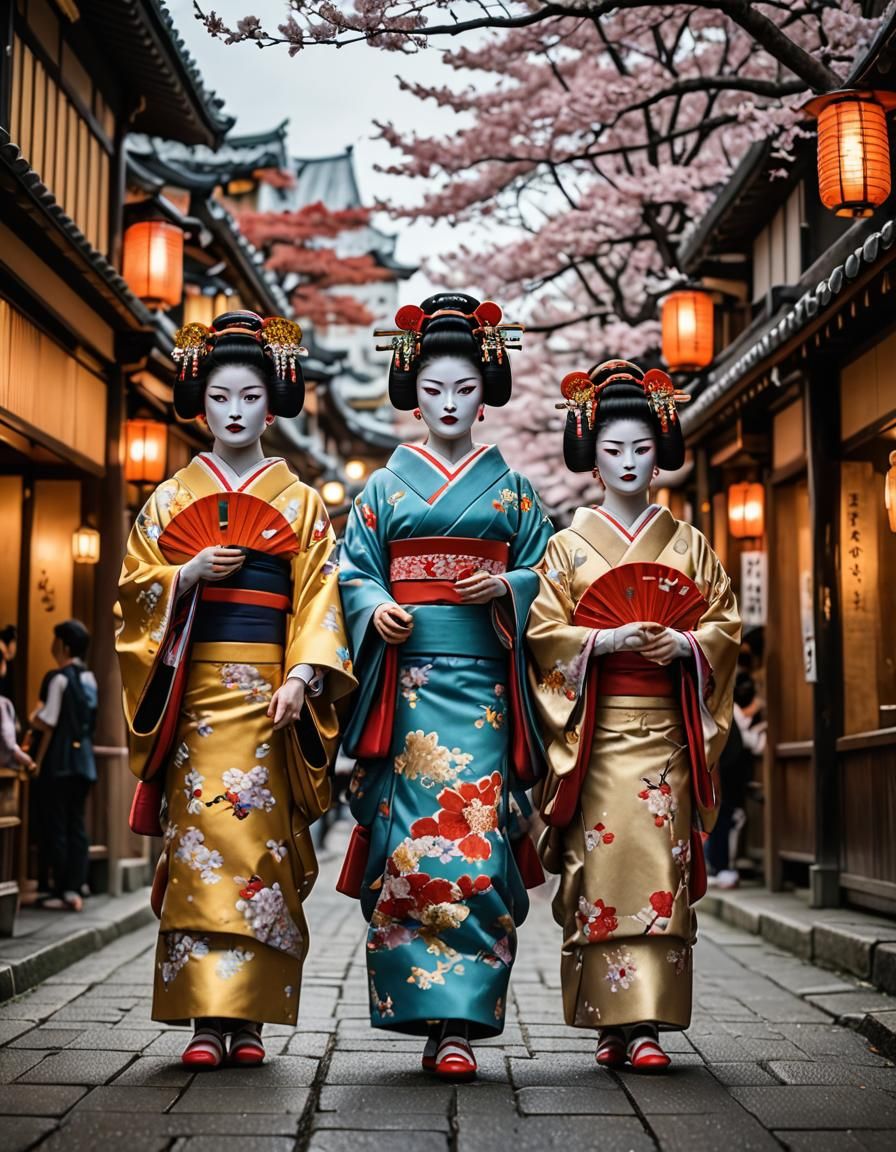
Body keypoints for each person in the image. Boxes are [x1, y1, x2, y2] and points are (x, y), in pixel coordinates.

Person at [116, 311, 355, 1068]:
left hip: (270, 700)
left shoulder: (302, 504)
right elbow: (134, 596)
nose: (235, 412)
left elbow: (320, 598)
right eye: (221, 398)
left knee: (263, 856)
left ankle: (248, 1019)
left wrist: (302, 674)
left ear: (272, 400)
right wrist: (181, 575)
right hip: (197, 701)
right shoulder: (167, 501)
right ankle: (201, 1020)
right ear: (201, 402)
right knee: (198, 854)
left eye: (250, 397)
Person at [338, 293, 553, 1080]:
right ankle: (421, 1008)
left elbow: (549, 576)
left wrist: (510, 589)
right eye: (434, 392)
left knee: (477, 846)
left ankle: (460, 1024)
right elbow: (350, 571)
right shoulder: (384, 492)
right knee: (409, 851)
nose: (450, 405)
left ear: (486, 392)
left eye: (465, 390)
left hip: (488, 692)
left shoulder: (515, 493)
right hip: (408, 688)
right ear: (412, 393)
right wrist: (376, 606)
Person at [526, 359, 740, 1071]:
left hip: (667, 740)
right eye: (612, 449)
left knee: (662, 870)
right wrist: (602, 639)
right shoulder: (565, 548)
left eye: (640, 449)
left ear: (661, 455)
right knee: (598, 870)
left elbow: (725, 627)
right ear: (591, 456)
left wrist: (684, 641)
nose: (626, 462)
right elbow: (543, 636)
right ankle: (606, 1022)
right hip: (595, 737)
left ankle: (646, 1022)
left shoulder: (689, 545)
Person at [28, 620, 98, 912]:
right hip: (84, 763)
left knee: (56, 826)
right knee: (76, 825)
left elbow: (48, 721)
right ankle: (75, 885)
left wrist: (33, 717)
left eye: (56, 641)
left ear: (64, 646)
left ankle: (61, 890)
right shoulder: (89, 679)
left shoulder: (59, 678)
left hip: (59, 763)